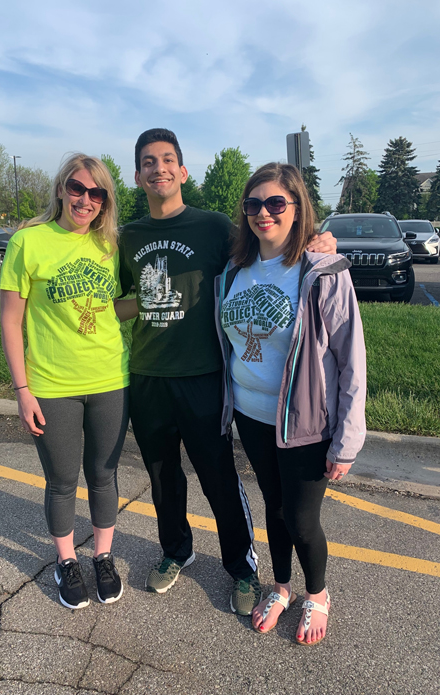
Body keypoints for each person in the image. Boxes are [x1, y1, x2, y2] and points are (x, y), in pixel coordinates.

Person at [118, 129, 338, 616]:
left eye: (168, 160)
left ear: (183, 171)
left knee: (219, 477)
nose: (159, 169)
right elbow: (120, 303)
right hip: (148, 374)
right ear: (138, 175)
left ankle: (242, 568)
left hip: (205, 375)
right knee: (161, 475)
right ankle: (176, 550)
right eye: (149, 163)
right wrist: (128, 304)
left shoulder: (216, 227)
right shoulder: (129, 236)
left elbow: (266, 252)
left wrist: (318, 241)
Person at [215, 162, 366, 643]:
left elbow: (351, 360)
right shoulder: (233, 270)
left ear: (297, 209)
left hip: (306, 421)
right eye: (254, 204)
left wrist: (347, 439)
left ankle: (317, 594)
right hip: (250, 415)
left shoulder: (322, 271)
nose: (264, 213)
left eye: (276, 203)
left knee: (302, 519)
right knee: (273, 508)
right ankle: (281, 588)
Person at [0, 153, 136, 610]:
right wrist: (22, 390)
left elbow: (110, 307)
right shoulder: (29, 242)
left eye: (97, 193)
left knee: (103, 475)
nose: (86, 199)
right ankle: (65, 561)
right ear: (61, 188)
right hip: (52, 384)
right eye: (78, 188)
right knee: (61, 480)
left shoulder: (109, 245)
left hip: (110, 377)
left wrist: (148, 305)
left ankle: (102, 555)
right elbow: (11, 320)